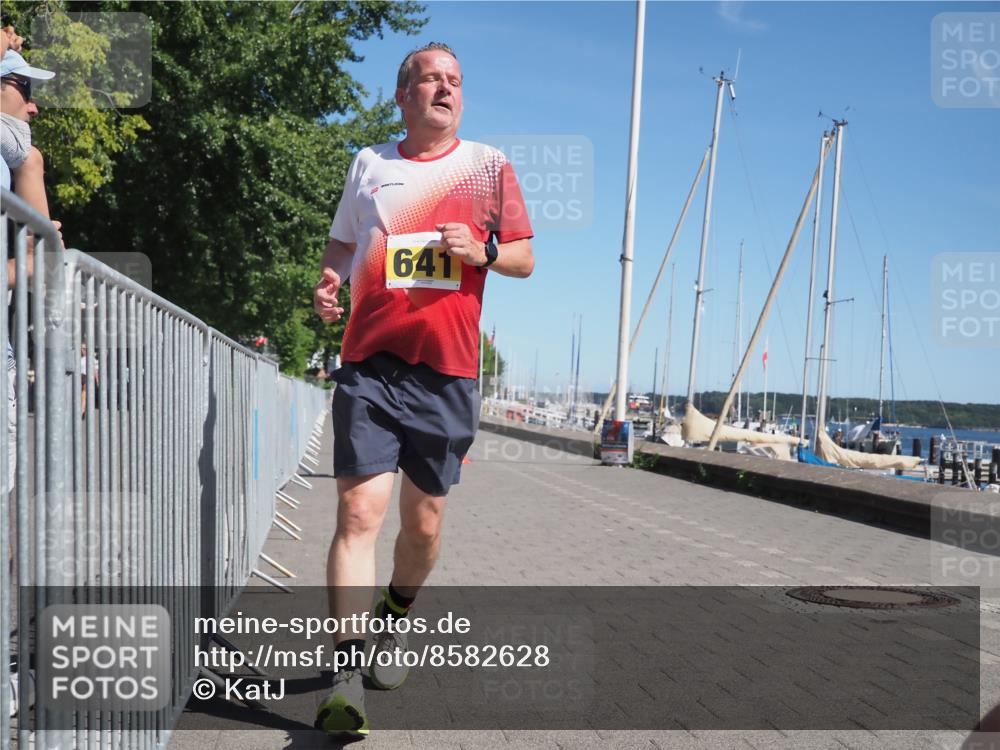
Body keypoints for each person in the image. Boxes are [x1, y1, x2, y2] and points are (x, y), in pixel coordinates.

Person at [312, 42, 534, 738]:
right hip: (370, 362)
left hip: (446, 371)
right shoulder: (370, 164)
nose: (445, 89)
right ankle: (346, 674)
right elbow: (343, 242)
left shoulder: (488, 167)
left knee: (425, 524)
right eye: (431, 79)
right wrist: (328, 281)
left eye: (455, 81)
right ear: (404, 94)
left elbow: (525, 258)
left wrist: (486, 251)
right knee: (356, 515)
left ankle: (393, 616)